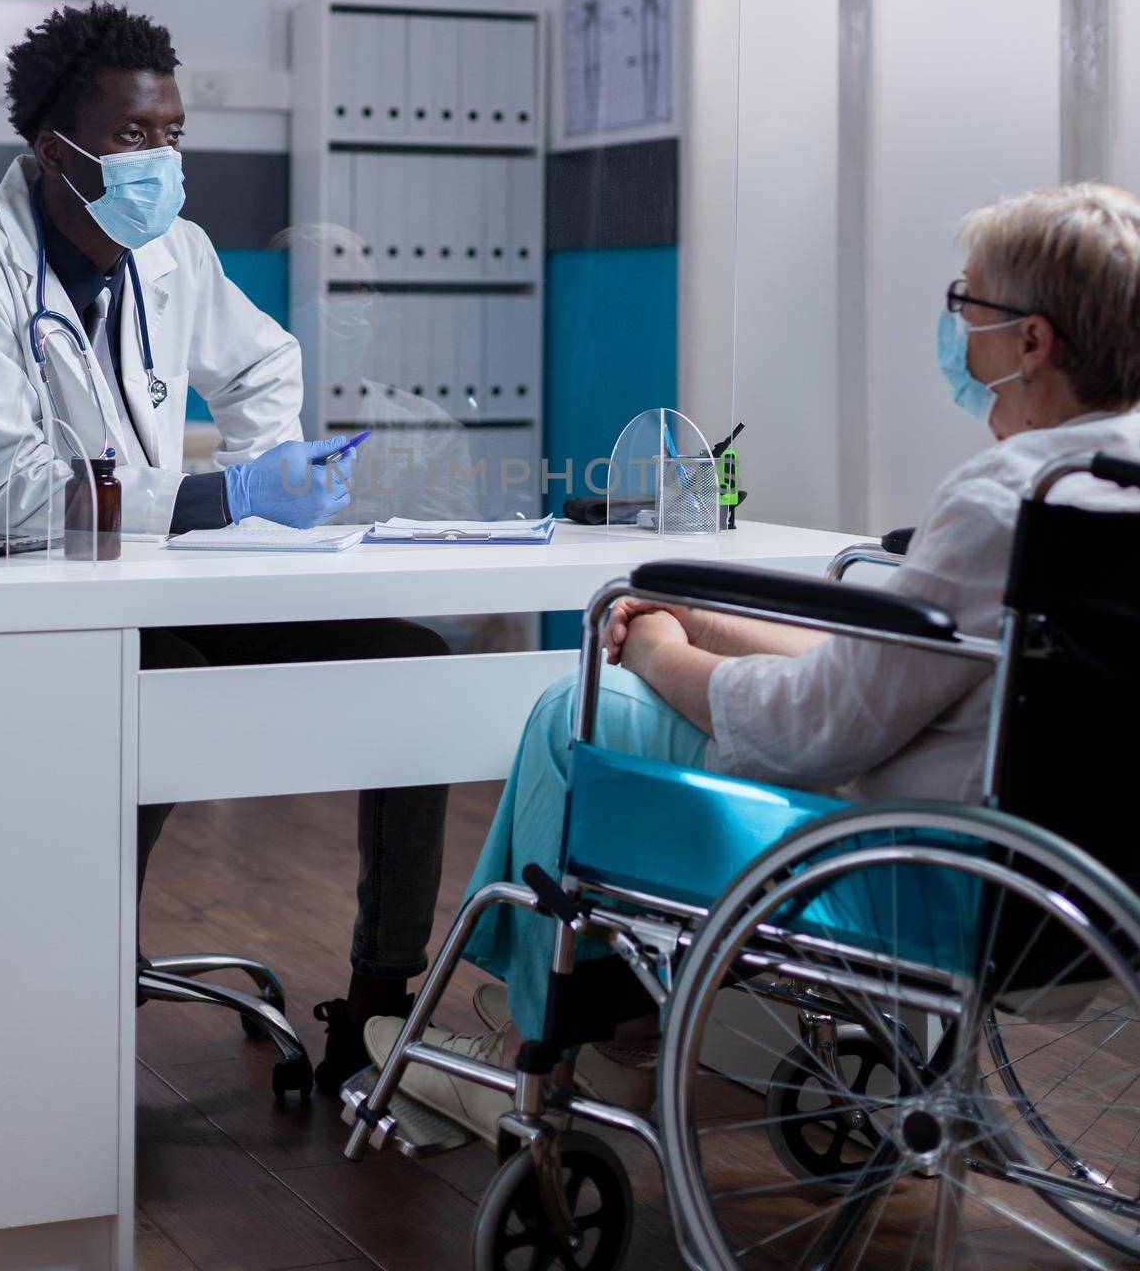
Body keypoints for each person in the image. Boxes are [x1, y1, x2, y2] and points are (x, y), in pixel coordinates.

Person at [364, 182, 1140, 1142]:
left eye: (965, 306)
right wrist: (703, 621)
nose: (954, 332)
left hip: (919, 870)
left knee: (580, 709)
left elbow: (812, 728)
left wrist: (651, 645)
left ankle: (539, 1053)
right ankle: (615, 1028)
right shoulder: (1102, 499)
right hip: (1086, 884)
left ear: (1032, 342)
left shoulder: (1000, 503)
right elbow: (903, 664)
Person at [0, 2, 447, 1092]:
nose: (164, 159)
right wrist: (221, 494)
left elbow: (264, 362)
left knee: (409, 663)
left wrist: (265, 477)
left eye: (174, 133)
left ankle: (379, 1009)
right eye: (137, 136)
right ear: (55, 153)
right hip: (16, 606)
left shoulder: (173, 250)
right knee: (158, 680)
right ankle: (61, 991)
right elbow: (1, 495)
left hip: (150, 587)